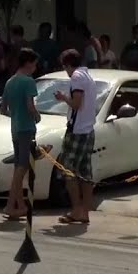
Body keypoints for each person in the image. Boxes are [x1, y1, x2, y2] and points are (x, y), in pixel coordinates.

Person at [55, 48, 96, 225]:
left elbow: (76, 103)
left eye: (65, 67)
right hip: (88, 129)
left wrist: (64, 97)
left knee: (68, 170)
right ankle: (84, 211)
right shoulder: (88, 76)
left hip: (77, 130)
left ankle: (77, 209)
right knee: (85, 172)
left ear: (68, 64)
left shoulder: (77, 77)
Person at [1, 48, 41, 220]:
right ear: (29, 63)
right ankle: (10, 205)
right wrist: (36, 116)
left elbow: (3, 109)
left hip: (15, 128)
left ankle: (20, 204)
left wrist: (16, 115)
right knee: (22, 166)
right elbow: (30, 106)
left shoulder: (10, 81)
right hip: (26, 128)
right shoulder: (28, 81)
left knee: (19, 165)